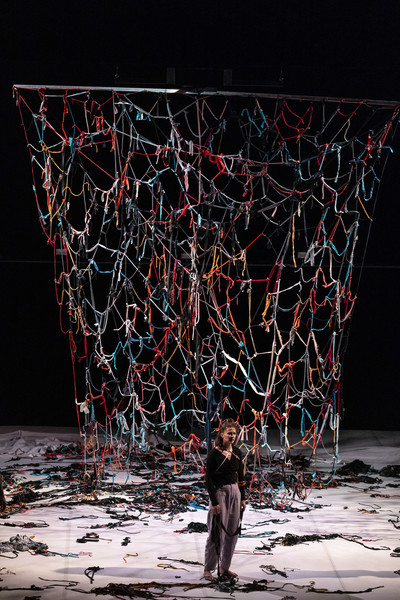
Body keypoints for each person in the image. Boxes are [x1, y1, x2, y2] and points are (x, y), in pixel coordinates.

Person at [203, 418, 246, 581]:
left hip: (235, 493)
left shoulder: (237, 453)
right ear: (222, 434)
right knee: (216, 532)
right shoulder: (214, 454)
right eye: (229, 433)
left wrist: (243, 498)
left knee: (232, 533)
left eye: (234, 433)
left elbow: (241, 477)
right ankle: (208, 568)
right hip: (220, 493)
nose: (232, 436)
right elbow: (208, 480)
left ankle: (225, 567)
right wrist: (214, 502)